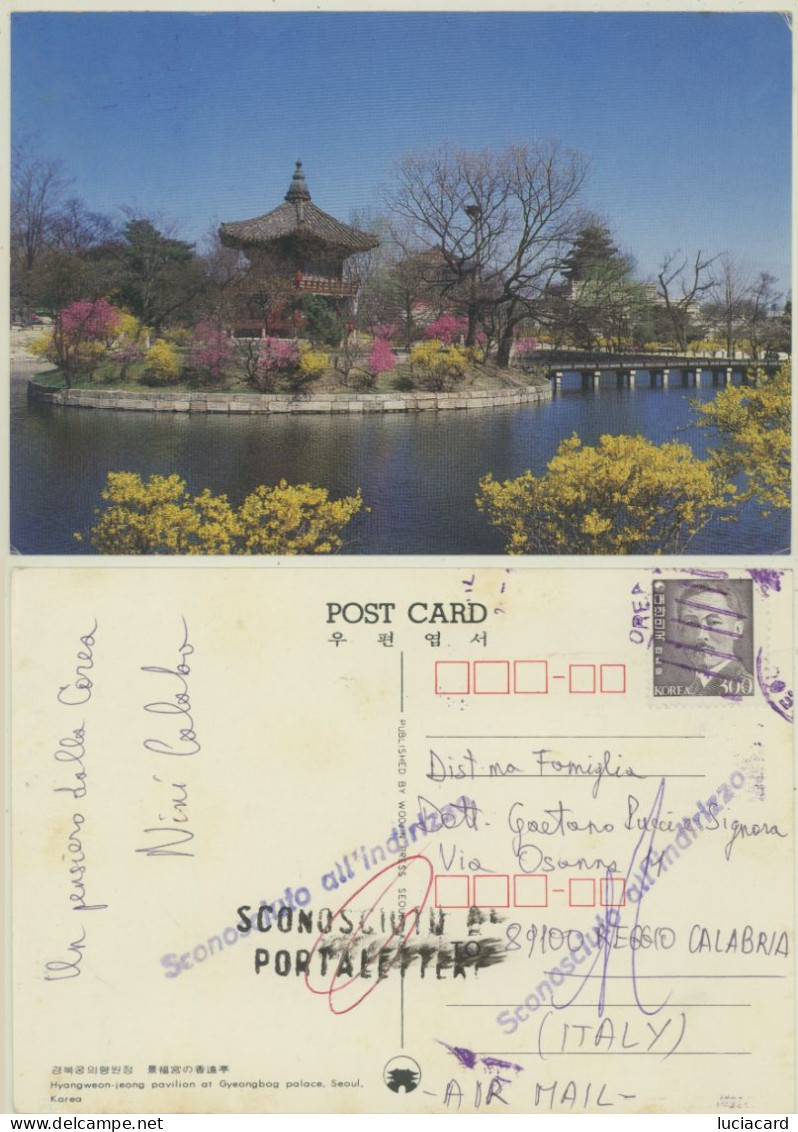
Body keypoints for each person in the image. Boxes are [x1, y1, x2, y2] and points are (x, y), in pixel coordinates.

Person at [671, 582, 754, 696]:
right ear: (680, 629)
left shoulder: (748, 690)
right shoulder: (691, 690)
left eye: (714, 622)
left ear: (737, 629)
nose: (701, 636)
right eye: (691, 623)